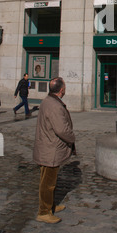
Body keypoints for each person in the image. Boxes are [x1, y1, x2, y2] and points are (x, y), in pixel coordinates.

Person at [33, 77, 75, 224]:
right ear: (62, 90)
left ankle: (50, 205)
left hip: (48, 147)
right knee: (47, 182)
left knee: (50, 180)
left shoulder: (47, 101)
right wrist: (72, 138)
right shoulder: (54, 105)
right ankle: (44, 212)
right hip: (50, 149)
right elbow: (61, 129)